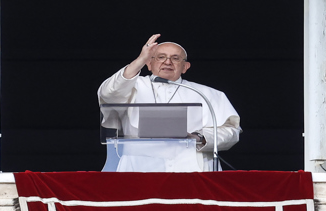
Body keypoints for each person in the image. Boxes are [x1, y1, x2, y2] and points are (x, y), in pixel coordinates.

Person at [97, 34, 241, 172]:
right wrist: (140, 59)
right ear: (149, 63)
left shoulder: (207, 93)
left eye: (175, 58)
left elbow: (231, 131)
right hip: (140, 165)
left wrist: (198, 137)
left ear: (186, 66)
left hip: (191, 167)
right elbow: (109, 93)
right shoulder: (131, 85)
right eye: (161, 57)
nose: (167, 62)